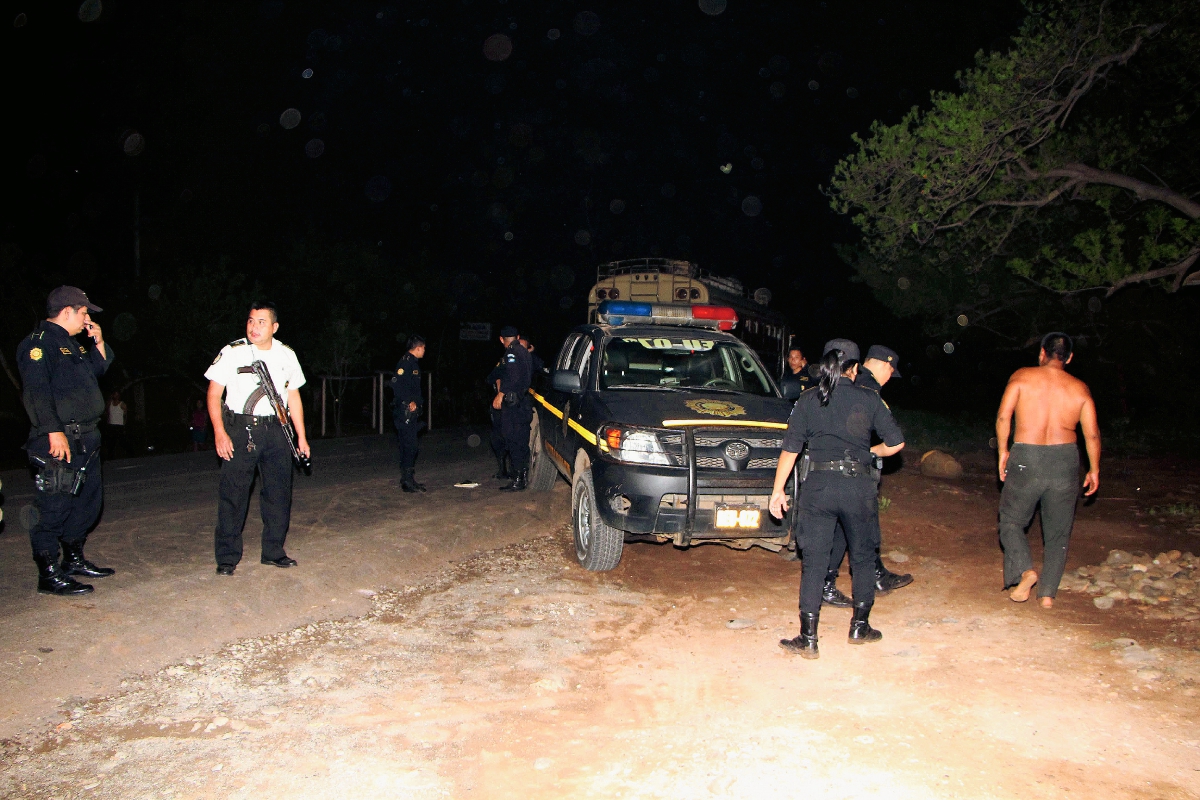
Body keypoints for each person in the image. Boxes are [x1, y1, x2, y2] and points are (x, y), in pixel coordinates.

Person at [769, 339, 906, 659]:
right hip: (858, 488)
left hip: (819, 487)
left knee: (814, 561)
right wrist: (869, 452)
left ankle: (808, 637)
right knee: (862, 557)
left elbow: (790, 449)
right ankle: (860, 626)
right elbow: (896, 444)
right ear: (855, 369)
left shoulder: (808, 398)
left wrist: (777, 491)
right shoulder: (869, 398)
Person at [16, 286, 115, 596]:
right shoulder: (38, 344)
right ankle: (48, 573)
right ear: (67, 311)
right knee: (54, 506)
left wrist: (98, 341)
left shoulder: (72, 345)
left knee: (86, 504)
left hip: (86, 437)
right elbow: (36, 391)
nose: (87, 319)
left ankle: (73, 559)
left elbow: (98, 371)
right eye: (84, 313)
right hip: (60, 438)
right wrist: (52, 431)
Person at [995, 332, 1100, 608]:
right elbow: (1091, 435)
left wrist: (1003, 451)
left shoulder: (1022, 377)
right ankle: (1047, 595)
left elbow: (1004, 416)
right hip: (1065, 459)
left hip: (1027, 455)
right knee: (1058, 532)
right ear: (1069, 358)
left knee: (1011, 521)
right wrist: (1094, 468)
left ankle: (1025, 571)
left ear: (1042, 352)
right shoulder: (1080, 389)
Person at [205, 302, 310, 576]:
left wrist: (301, 436)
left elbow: (294, 396)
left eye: (261, 322)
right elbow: (214, 394)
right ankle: (227, 557)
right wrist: (219, 432)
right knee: (233, 494)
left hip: (277, 430)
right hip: (241, 429)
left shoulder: (287, 355)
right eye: (251, 320)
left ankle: (273, 551)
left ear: (274, 327)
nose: (254, 327)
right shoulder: (232, 352)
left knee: (278, 493)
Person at [821, 345, 913, 607]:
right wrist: (867, 452)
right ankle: (834, 583)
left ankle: (874, 574)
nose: (890, 378)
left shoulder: (851, 381)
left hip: (832, 467)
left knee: (854, 524)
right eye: (891, 372)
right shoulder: (867, 388)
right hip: (852, 470)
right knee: (850, 525)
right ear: (884, 365)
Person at [494, 325, 533, 492]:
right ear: (517, 337)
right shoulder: (524, 351)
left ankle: (517, 479)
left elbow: (513, 376)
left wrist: (501, 394)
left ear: (501, 339)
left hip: (514, 405)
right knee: (521, 440)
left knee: (513, 440)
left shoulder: (511, 352)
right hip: (523, 403)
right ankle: (522, 476)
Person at [392, 335, 426, 493]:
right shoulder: (406, 362)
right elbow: (396, 384)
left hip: (412, 412)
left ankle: (409, 479)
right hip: (404, 412)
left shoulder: (413, 363)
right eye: (423, 348)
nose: (424, 351)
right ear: (418, 348)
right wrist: (408, 401)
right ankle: (407, 481)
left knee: (410, 445)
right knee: (409, 445)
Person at [485, 356, 510, 480]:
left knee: (509, 437)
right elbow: (492, 378)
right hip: (500, 403)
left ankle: (514, 471)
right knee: (497, 437)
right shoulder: (503, 361)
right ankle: (503, 469)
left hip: (510, 404)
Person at [104, 390, 128, 459]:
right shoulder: (110, 403)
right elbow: (107, 412)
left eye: (117, 395)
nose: (116, 396)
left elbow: (125, 415)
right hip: (111, 425)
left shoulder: (122, 404)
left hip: (119, 425)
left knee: (122, 441)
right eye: (115, 395)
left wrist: (124, 424)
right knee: (111, 443)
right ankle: (110, 457)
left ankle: (128, 454)